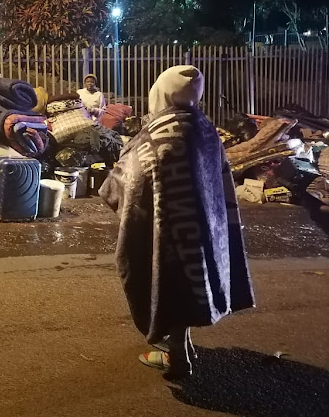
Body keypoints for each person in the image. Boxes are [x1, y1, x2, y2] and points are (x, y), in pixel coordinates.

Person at [99, 65, 254, 378]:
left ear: (161, 93)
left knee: (168, 280)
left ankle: (178, 358)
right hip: (205, 228)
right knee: (187, 281)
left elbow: (125, 182)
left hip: (167, 227)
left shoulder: (156, 134)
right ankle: (183, 345)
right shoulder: (205, 128)